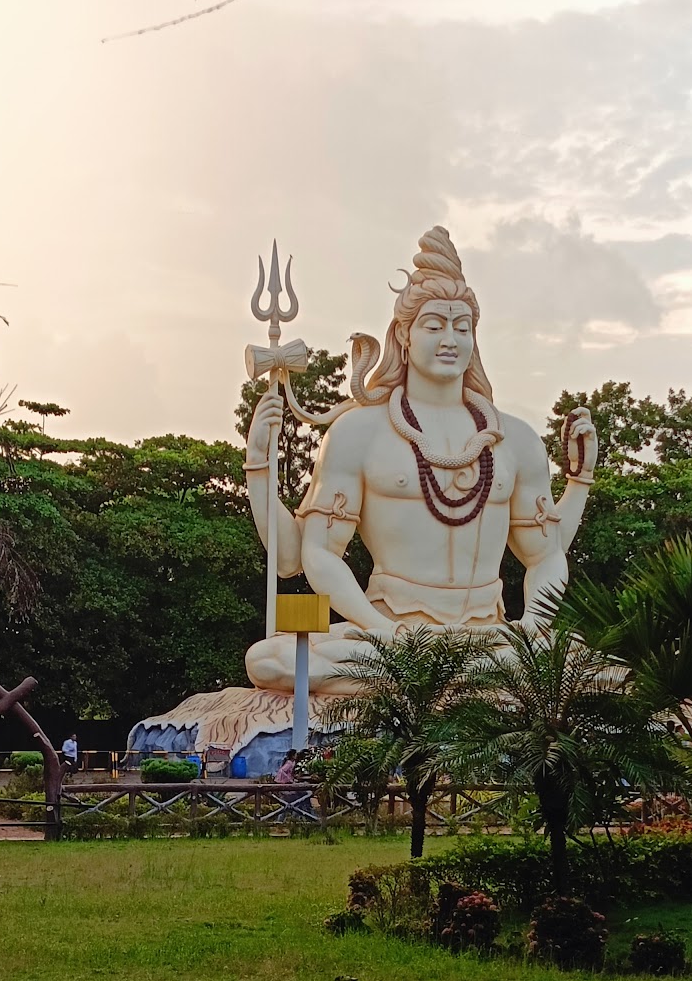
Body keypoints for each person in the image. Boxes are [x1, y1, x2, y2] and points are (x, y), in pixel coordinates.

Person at [243, 226, 598, 695]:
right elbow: (310, 556)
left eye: (462, 327)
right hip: (393, 635)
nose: (449, 339)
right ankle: (462, 683)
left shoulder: (516, 439)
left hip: (492, 636)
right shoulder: (358, 432)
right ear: (404, 336)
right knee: (271, 660)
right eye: (434, 325)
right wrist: (258, 465)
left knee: (603, 666)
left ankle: (439, 682)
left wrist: (533, 624)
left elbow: (547, 554)